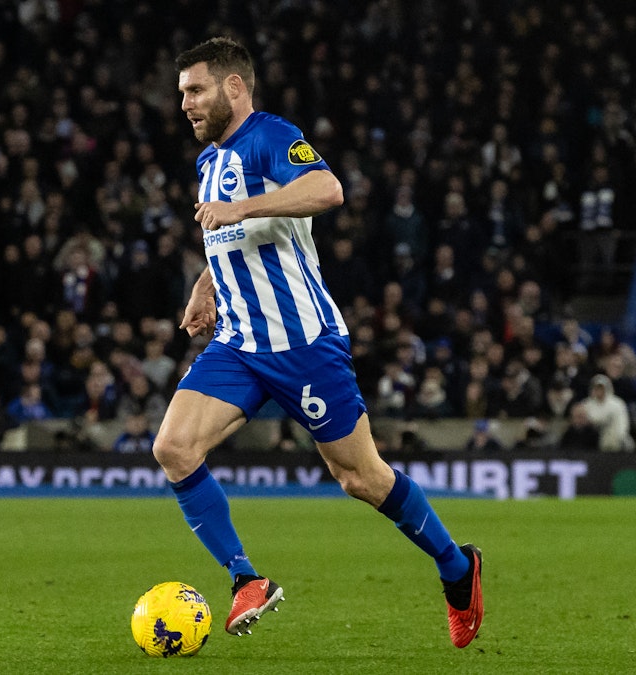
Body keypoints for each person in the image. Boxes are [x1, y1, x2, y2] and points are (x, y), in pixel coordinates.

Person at [154, 37, 483, 647]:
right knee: (173, 448)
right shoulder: (207, 164)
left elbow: (327, 188)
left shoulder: (272, 136)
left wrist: (242, 206)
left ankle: (457, 568)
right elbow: (234, 235)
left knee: (360, 477)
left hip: (304, 342)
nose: (186, 105)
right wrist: (205, 286)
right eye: (181, 94)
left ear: (233, 87)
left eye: (195, 90)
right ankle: (245, 580)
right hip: (238, 345)